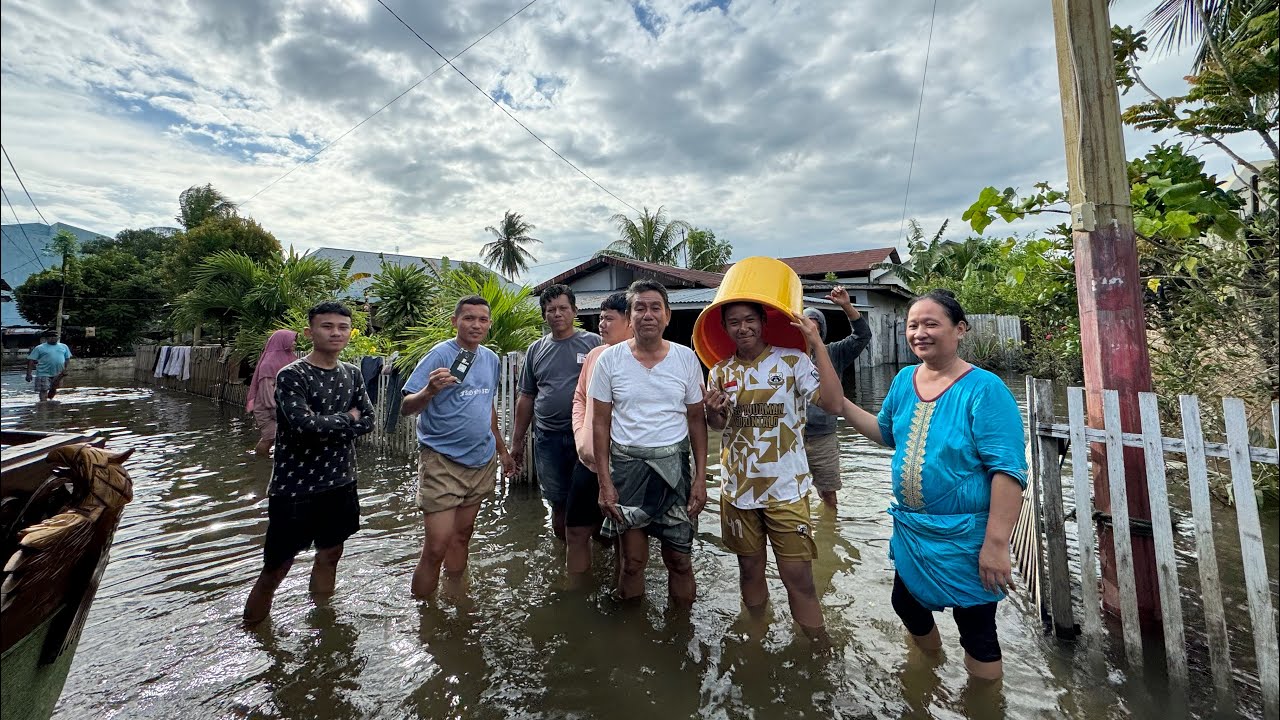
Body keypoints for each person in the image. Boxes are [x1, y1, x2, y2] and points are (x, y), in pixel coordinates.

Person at [837, 289, 1026, 680]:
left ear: (959, 329)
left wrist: (995, 545)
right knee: (905, 604)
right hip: (914, 530)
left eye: (930, 323)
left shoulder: (985, 389)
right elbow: (886, 432)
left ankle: (983, 701)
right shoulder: (906, 379)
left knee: (977, 629)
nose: (919, 332)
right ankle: (931, 665)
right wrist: (842, 405)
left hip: (968, 535)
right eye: (912, 325)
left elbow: (1008, 472)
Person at [703, 302, 846, 640]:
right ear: (725, 327)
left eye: (750, 320)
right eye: (734, 322)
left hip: (786, 489)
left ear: (763, 321)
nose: (743, 328)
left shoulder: (793, 361)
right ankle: (755, 635)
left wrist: (817, 343)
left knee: (799, 578)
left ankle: (817, 648)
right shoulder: (720, 371)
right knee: (749, 570)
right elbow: (718, 426)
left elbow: (833, 403)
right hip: (738, 490)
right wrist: (712, 412)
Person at [243, 302, 375, 626]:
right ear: (309, 332)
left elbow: (369, 420)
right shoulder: (292, 375)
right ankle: (253, 633)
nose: (336, 333)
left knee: (331, 555)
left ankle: (323, 622)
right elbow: (304, 426)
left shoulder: (352, 374)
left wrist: (333, 423)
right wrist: (348, 418)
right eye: (327, 326)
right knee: (276, 567)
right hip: (295, 488)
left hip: (341, 482)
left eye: (342, 327)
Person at [589, 280, 708, 605]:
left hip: (676, 473)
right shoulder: (609, 360)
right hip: (628, 472)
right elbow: (600, 424)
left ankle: (681, 632)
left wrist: (700, 478)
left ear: (667, 315)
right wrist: (604, 483)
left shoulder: (685, 358)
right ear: (629, 317)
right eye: (639, 307)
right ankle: (631, 640)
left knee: (680, 561)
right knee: (632, 563)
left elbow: (697, 420)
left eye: (655, 307)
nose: (648, 314)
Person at [401, 295, 516, 599]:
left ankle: (456, 595)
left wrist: (502, 451)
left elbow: (486, 405)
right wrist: (429, 389)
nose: (475, 324)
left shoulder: (490, 358)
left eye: (482, 319)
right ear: (455, 322)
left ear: (489, 324)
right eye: (468, 318)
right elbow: (406, 406)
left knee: (462, 536)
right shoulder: (440, 355)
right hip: (442, 460)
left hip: (480, 459)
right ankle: (424, 614)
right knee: (436, 546)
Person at [510, 285, 601, 541]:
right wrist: (517, 443)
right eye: (551, 310)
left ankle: (594, 556)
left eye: (563, 308)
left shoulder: (593, 343)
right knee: (557, 500)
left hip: (585, 436)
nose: (557, 314)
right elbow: (526, 396)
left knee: (595, 498)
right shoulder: (535, 350)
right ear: (544, 315)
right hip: (548, 438)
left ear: (574, 311)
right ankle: (565, 553)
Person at [567, 291, 632, 584]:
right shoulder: (595, 354)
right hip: (589, 461)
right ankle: (577, 588)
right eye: (601, 318)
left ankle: (623, 593)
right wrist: (581, 436)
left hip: (625, 464)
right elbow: (580, 398)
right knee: (576, 529)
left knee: (625, 535)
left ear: (630, 322)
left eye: (609, 318)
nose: (601, 324)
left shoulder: (638, 357)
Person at [802, 286, 872, 509]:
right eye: (806, 323)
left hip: (823, 435)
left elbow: (862, 336)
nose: (810, 328)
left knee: (828, 494)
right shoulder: (787, 357)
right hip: (791, 437)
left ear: (821, 331)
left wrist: (846, 306)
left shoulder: (834, 352)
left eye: (815, 324)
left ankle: (830, 531)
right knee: (793, 495)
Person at [246, 329, 299, 456]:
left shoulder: (290, 358)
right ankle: (260, 461)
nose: (295, 343)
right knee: (270, 437)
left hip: (284, 404)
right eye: (292, 340)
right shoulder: (269, 364)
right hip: (267, 408)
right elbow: (267, 393)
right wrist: (277, 411)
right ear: (282, 341)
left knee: (285, 436)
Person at [26, 331, 72, 401]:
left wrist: (65, 370)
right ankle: (43, 405)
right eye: (51, 337)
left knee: (53, 389)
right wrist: (29, 374)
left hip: (58, 373)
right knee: (43, 390)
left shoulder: (64, 346)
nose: (53, 338)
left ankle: (50, 404)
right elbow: (31, 360)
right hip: (43, 373)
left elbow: (67, 359)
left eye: (55, 336)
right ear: (46, 338)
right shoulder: (39, 348)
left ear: (58, 337)